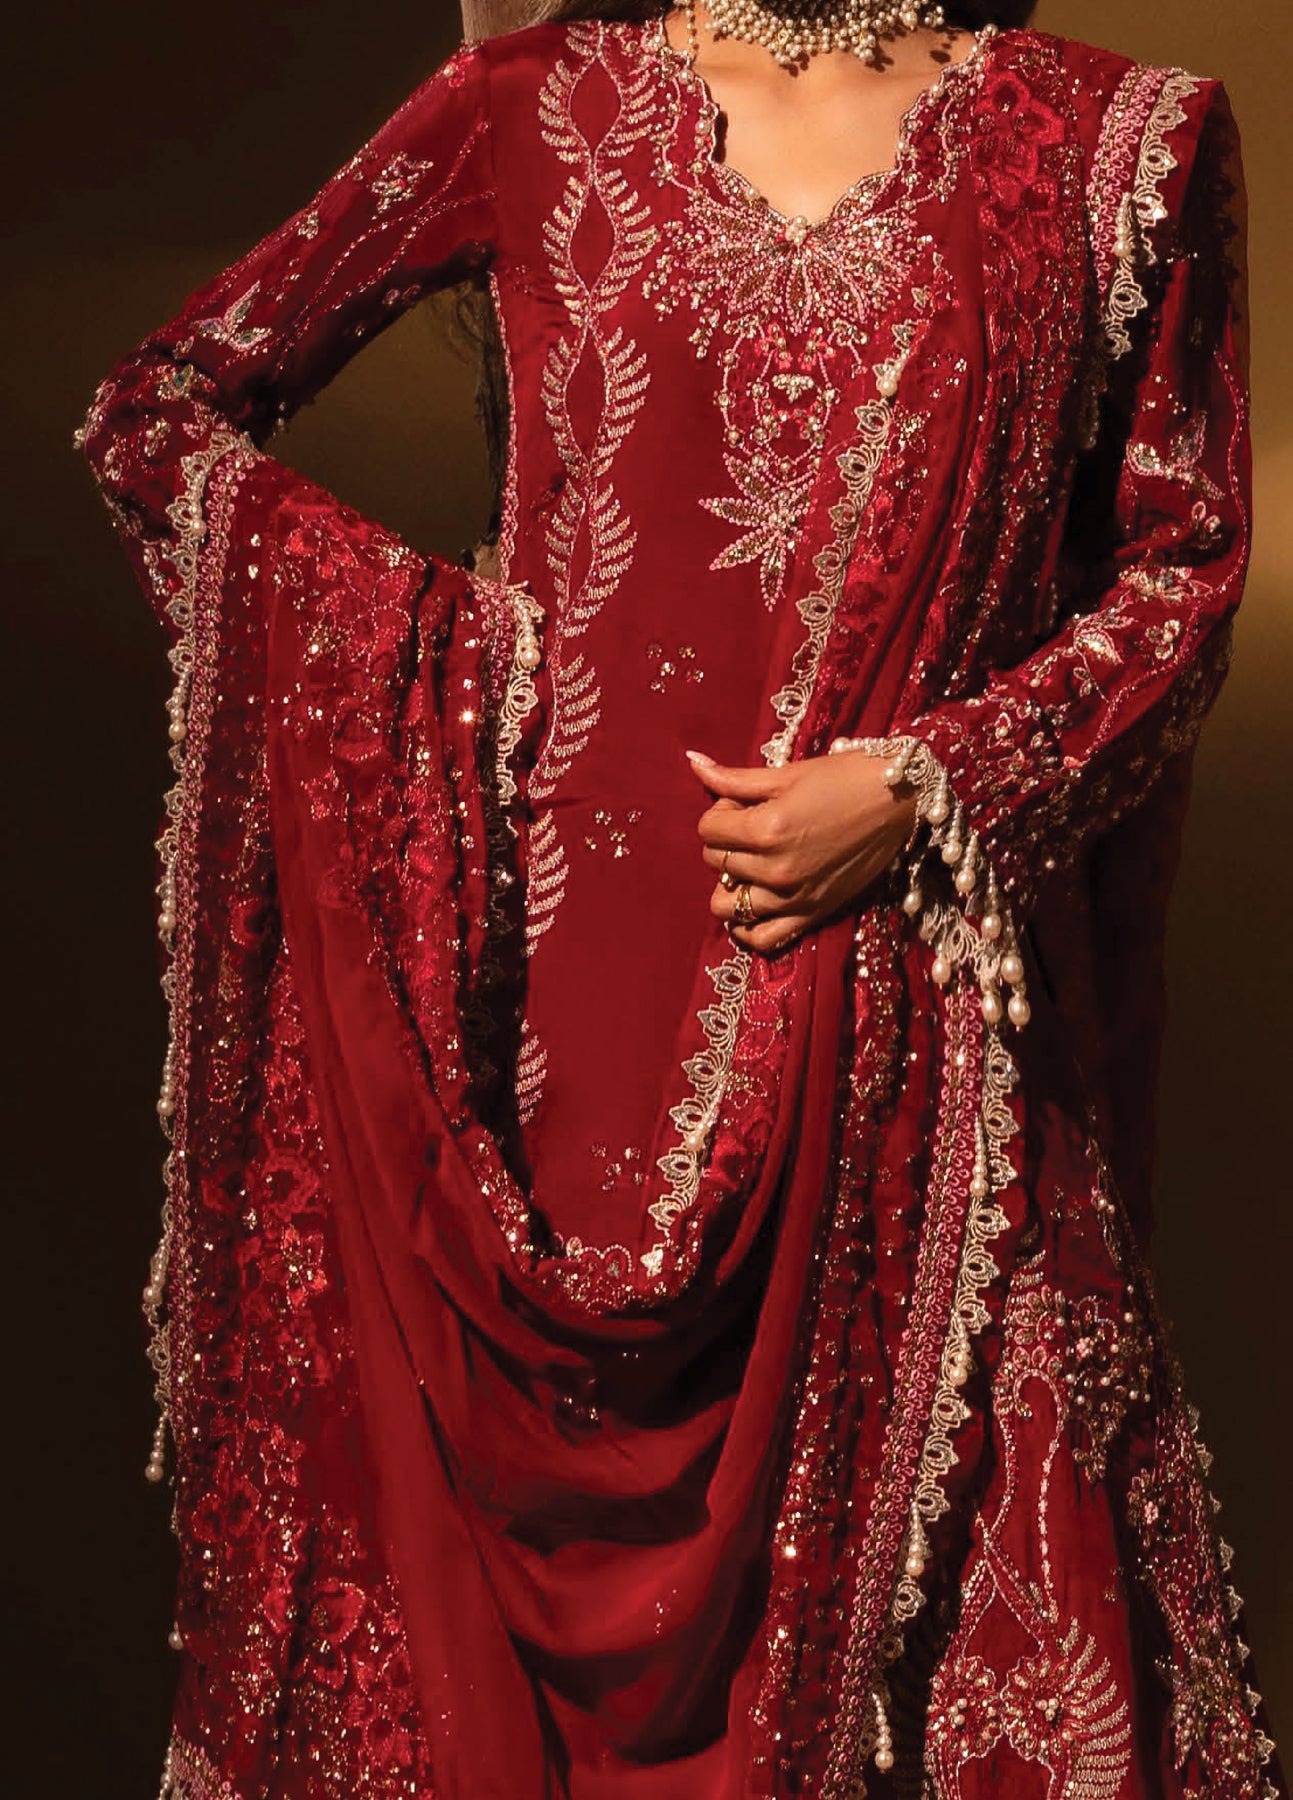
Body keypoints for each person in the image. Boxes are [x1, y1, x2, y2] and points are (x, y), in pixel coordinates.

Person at [80, 1, 1284, 1795]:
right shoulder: (534, 101)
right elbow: (155, 414)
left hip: (911, 1049)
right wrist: (449, 686)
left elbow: (1183, 568)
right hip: (546, 1059)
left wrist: (929, 783)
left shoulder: (1121, 144)